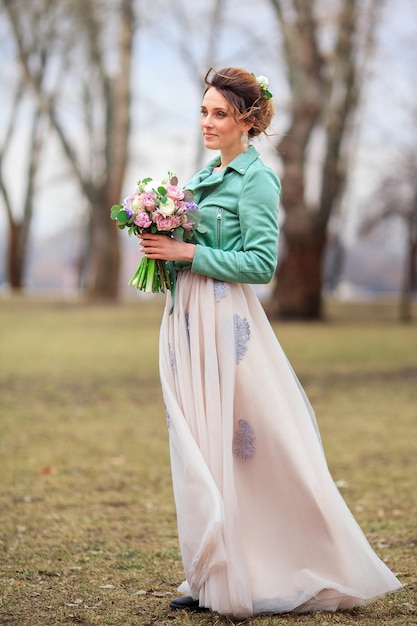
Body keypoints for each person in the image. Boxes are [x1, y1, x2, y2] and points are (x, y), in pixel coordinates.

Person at [138, 67, 402, 617]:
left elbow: (260, 263)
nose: (207, 122)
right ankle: (212, 573)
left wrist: (186, 253)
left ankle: (269, 567)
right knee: (199, 448)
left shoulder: (257, 179)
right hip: (186, 319)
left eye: (219, 113)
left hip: (226, 325)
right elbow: (194, 240)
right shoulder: (206, 174)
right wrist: (162, 247)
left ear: (248, 121)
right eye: (204, 111)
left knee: (246, 450)